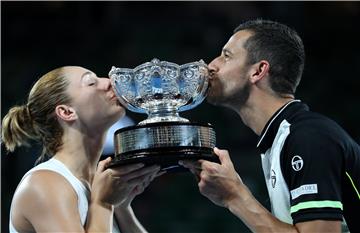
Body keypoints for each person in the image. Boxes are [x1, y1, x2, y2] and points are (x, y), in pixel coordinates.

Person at [180, 19, 360, 232]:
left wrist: (235, 196)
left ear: (258, 71)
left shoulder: (309, 138)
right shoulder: (281, 140)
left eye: (226, 56)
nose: (212, 66)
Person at [2, 66, 162, 232]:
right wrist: (103, 204)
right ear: (66, 112)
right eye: (91, 82)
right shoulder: (44, 183)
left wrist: (122, 208)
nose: (109, 82)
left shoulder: (102, 187)